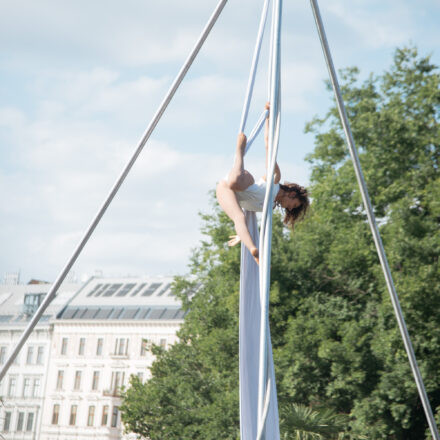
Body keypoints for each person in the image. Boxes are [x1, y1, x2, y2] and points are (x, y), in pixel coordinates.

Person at [216, 103, 309, 265]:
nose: (289, 208)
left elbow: (246, 215)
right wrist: (268, 118)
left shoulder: (268, 207)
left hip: (228, 192)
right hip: (240, 181)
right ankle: (239, 153)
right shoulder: (275, 180)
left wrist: (241, 234)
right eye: (293, 205)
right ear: (292, 194)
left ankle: (253, 250)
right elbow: (269, 145)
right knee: (236, 181)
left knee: (239, 217)